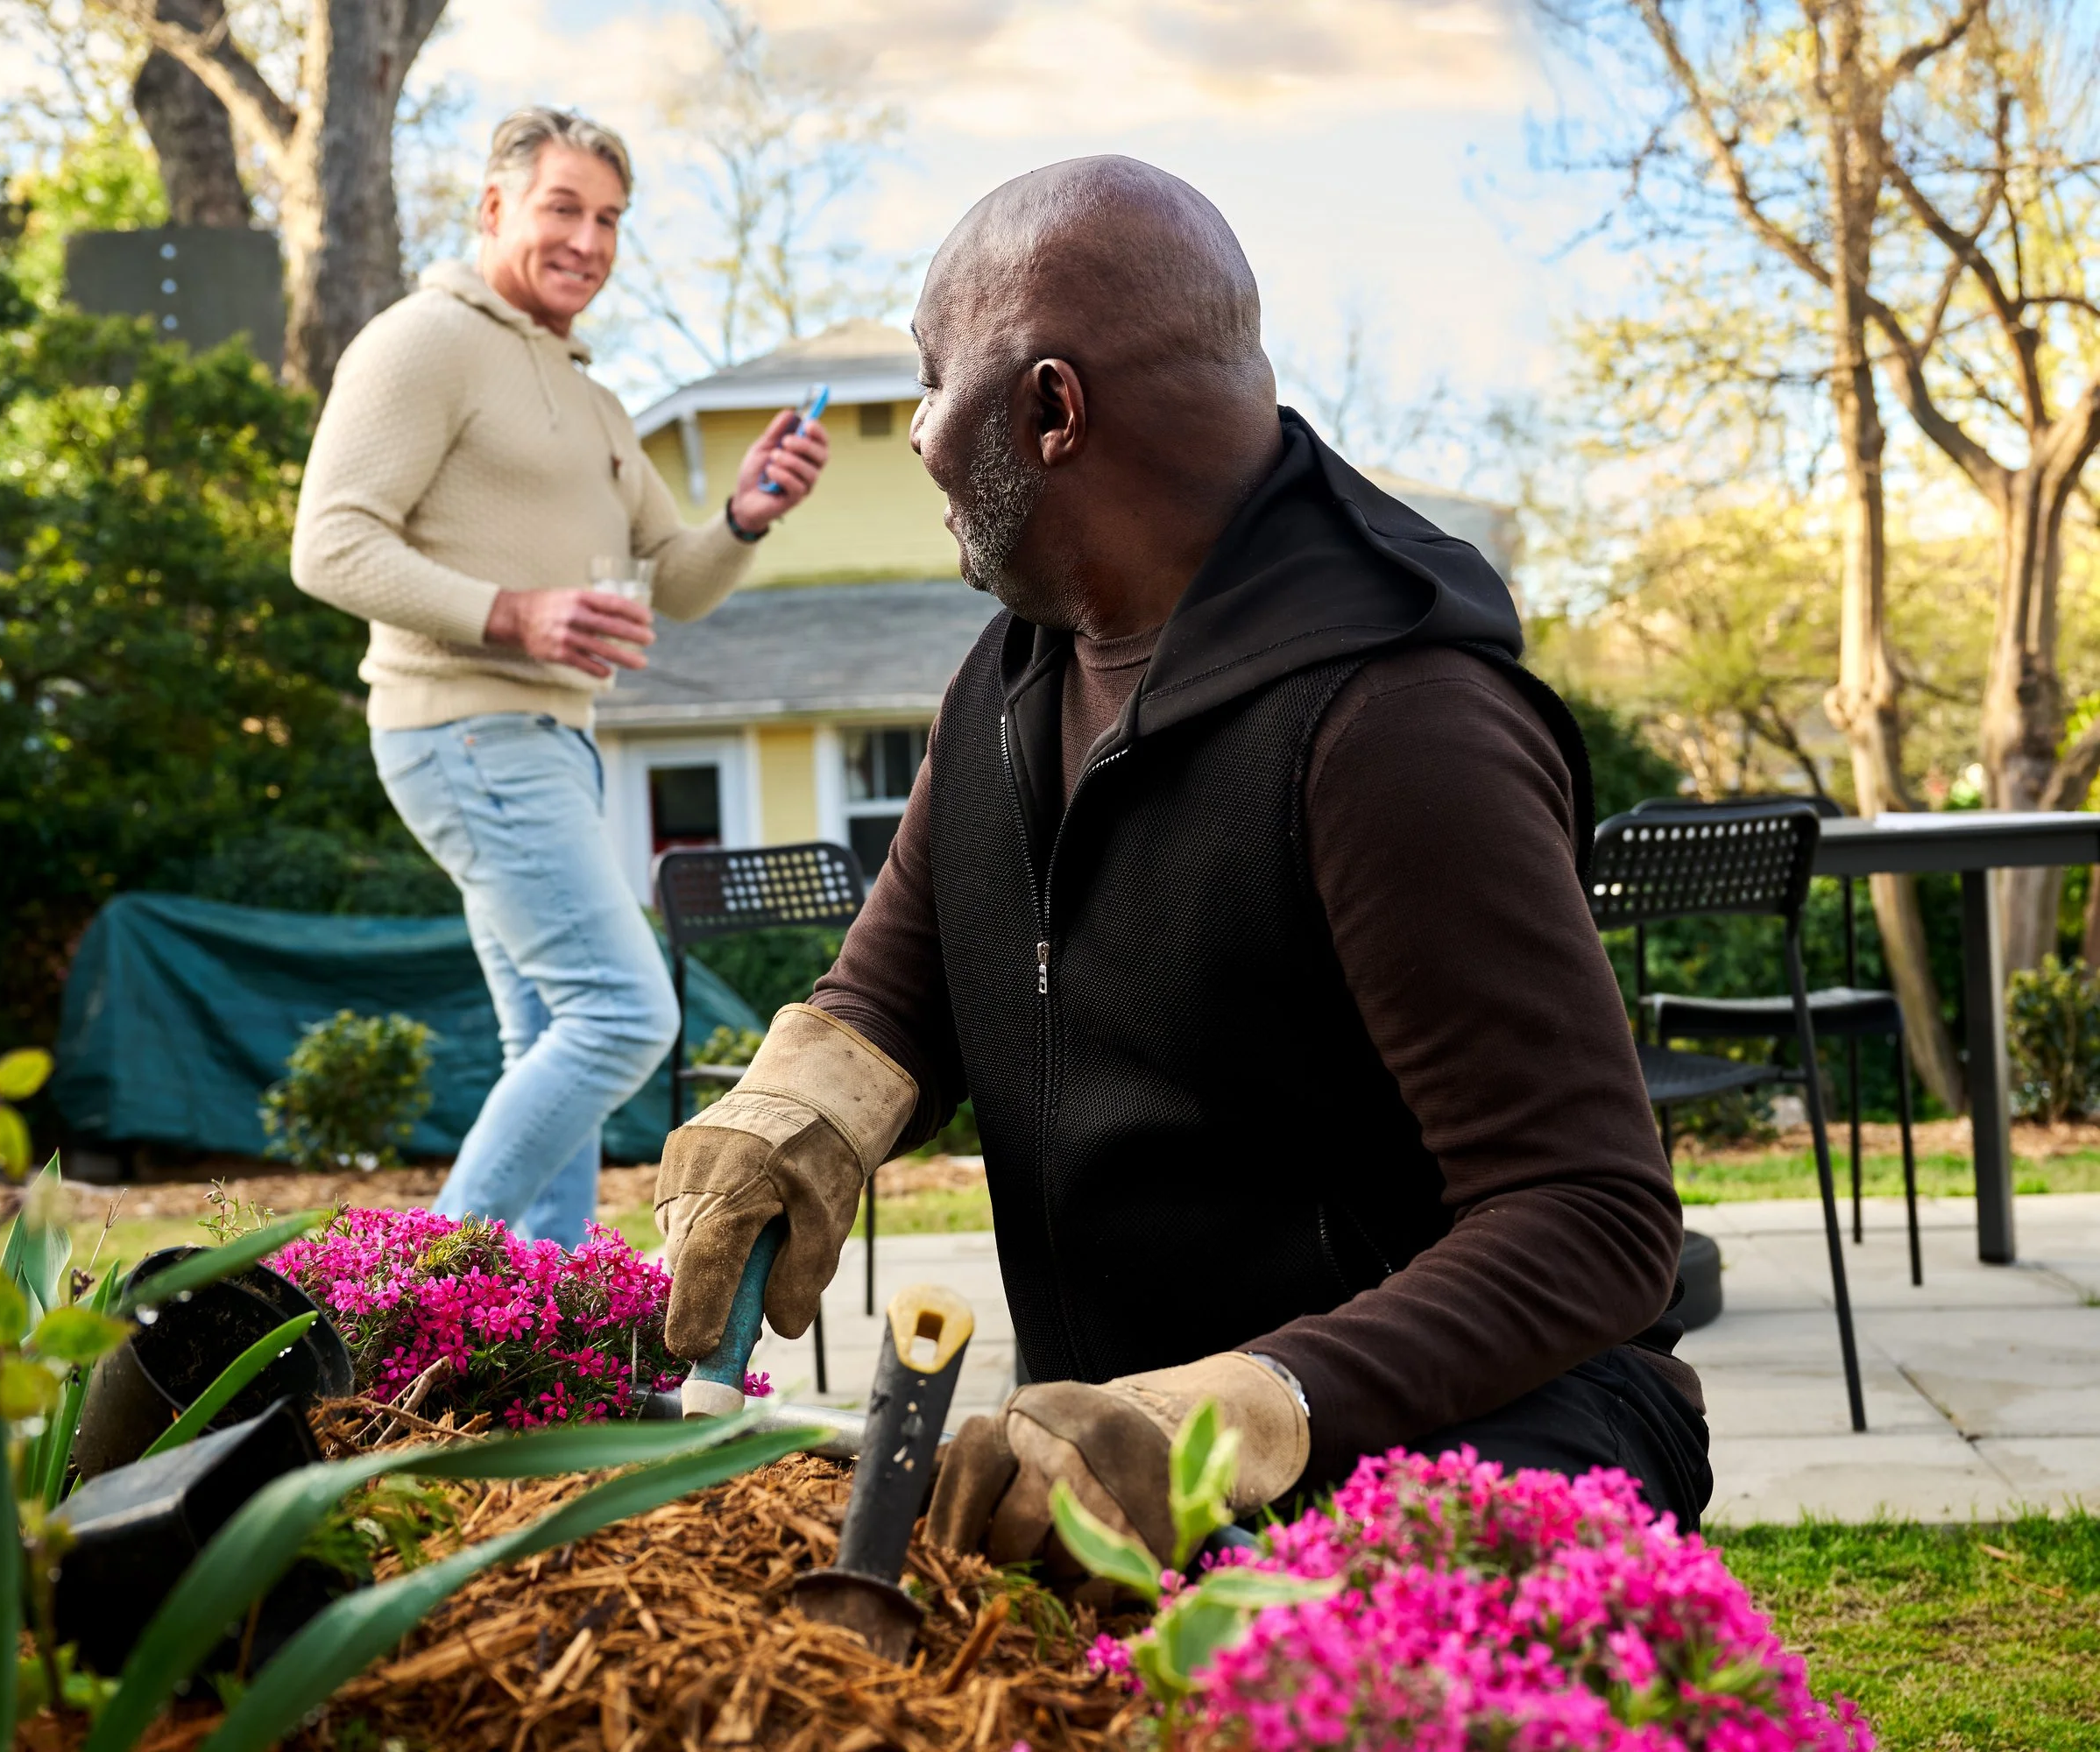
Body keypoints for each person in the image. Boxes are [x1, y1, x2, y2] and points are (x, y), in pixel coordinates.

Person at [652, 156, 1711, 1560]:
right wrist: (796, 1112)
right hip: (1121, 1463)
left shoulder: (1398, 722)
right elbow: (895, 992)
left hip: (1464, 1433)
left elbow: (1591, 1217)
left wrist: (1238, 1413)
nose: (911, 435)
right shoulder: (1011, 680)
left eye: (929, 380)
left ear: (1048, 410)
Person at [292, 109, 828, 1248]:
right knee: (623, 1013)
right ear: (493, 210)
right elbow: (327, 544)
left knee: (553, 1038)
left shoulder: (591, 400)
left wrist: (744, 514)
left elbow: (676, 582)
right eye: (563, 208)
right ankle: (414, 1297)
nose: (589, 239)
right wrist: (514, 614)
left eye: (610, 219)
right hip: (467, 731)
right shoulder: (422, 342)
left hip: (551, 743)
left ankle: (536, 1334)